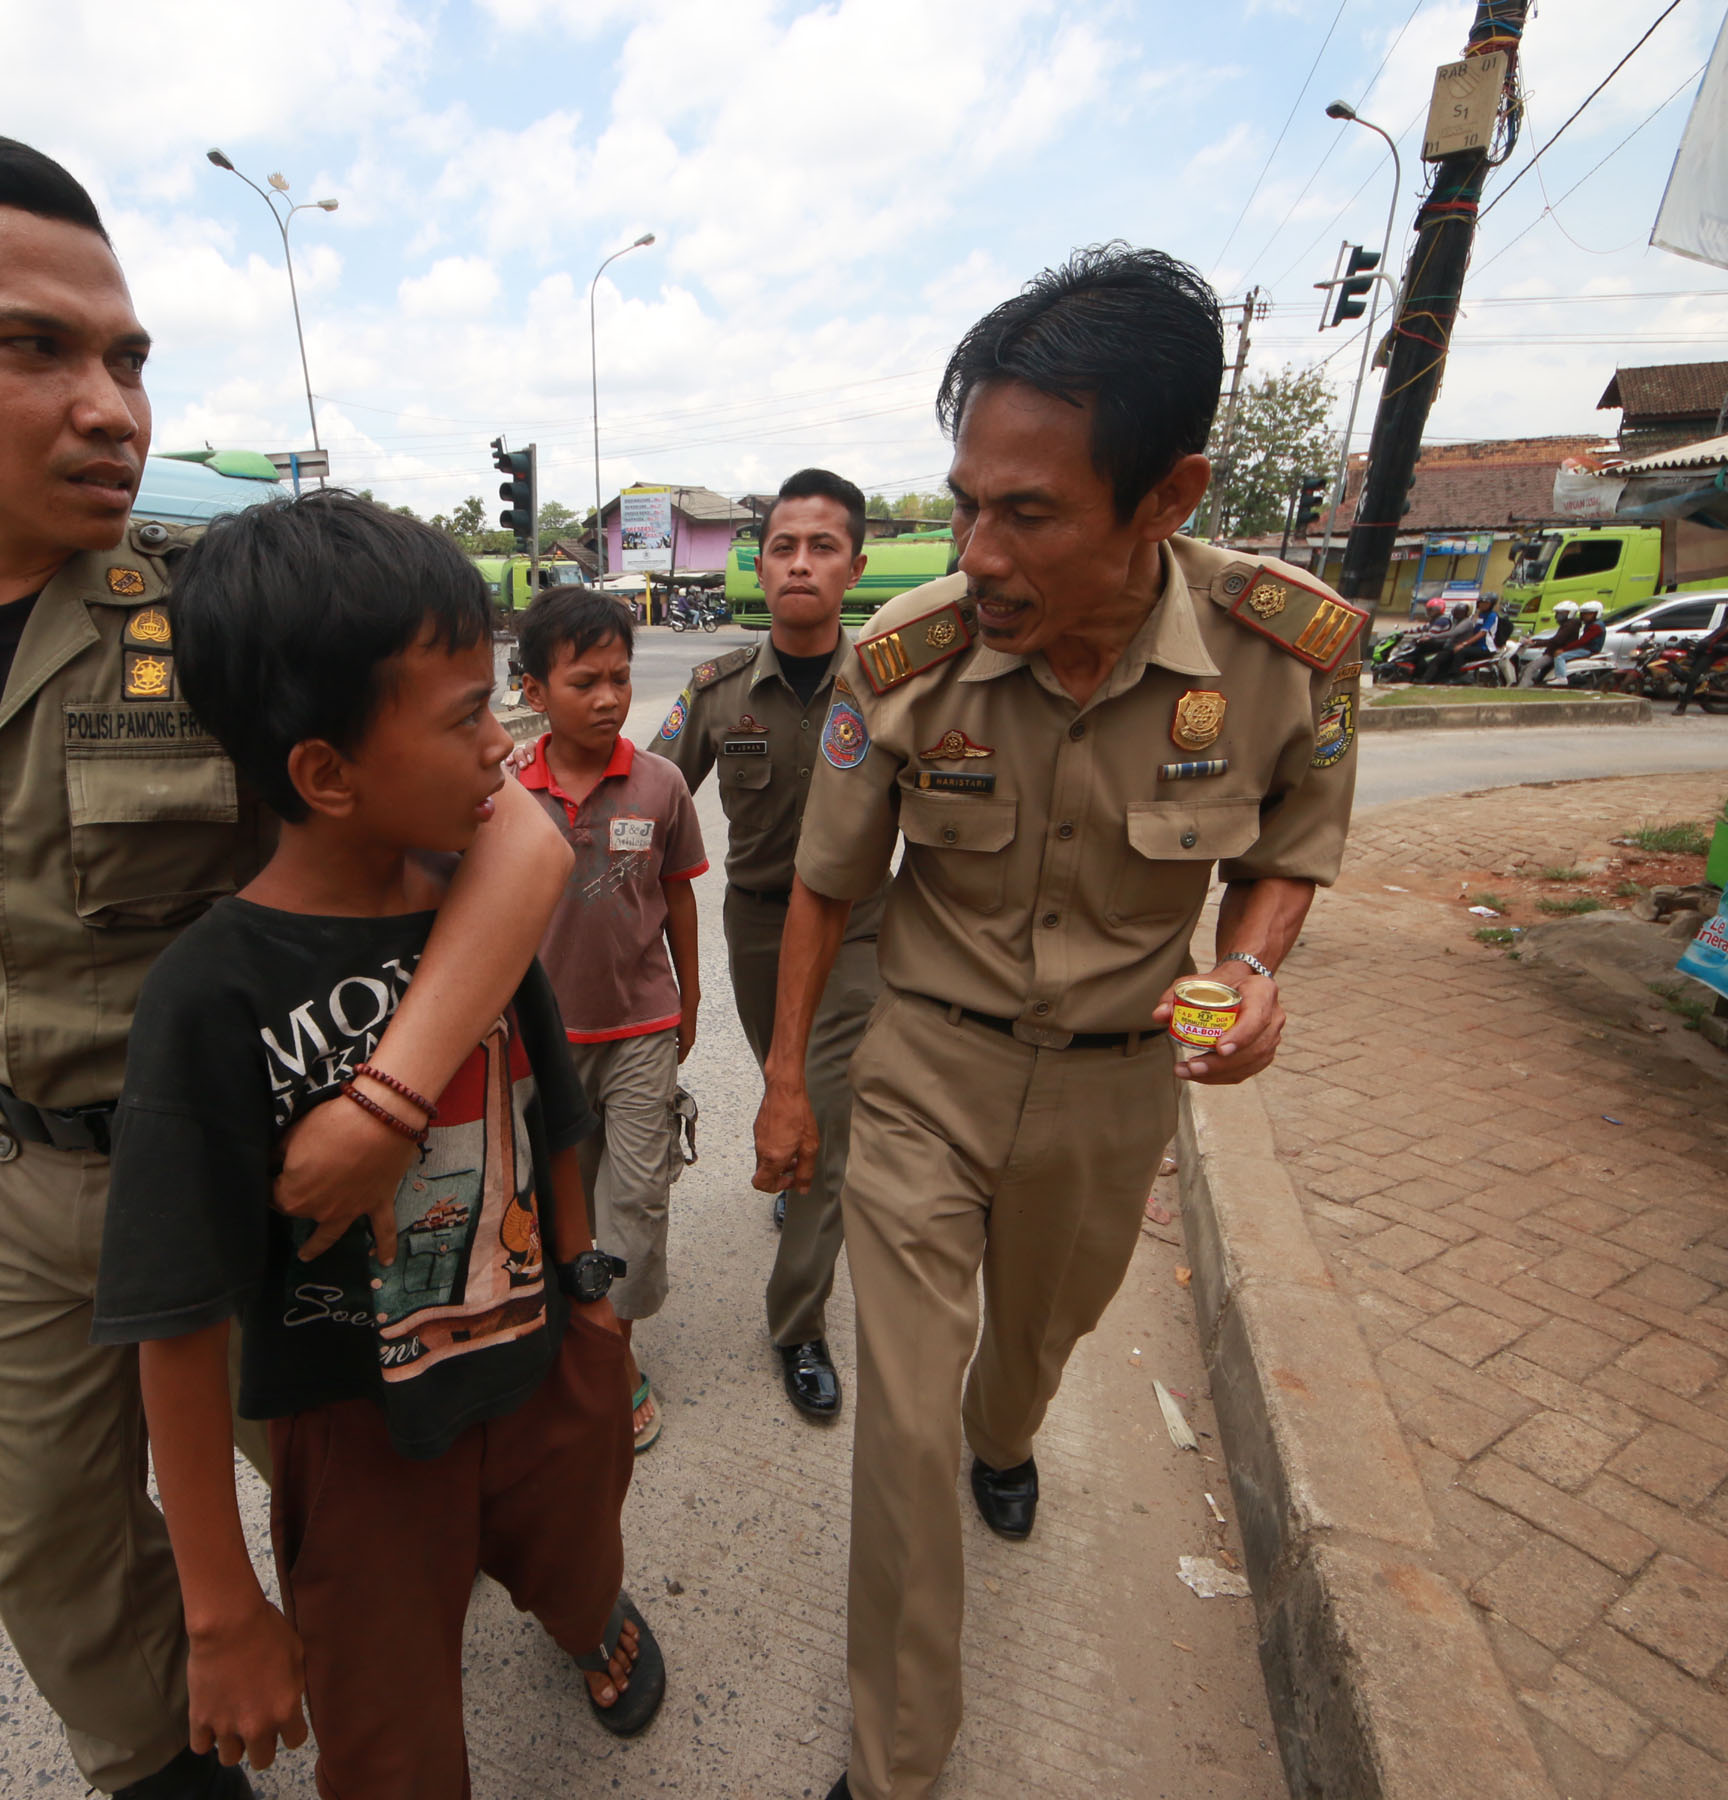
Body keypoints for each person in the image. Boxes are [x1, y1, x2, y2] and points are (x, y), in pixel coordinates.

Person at [0, 128, 567, 1800]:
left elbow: (517, 836)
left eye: (125, 355)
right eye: (31, 346)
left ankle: (556, 1598)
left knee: (380, 1495)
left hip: (274, 1175)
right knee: (55, 1549)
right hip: (32, 1177)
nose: (110, 404)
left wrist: (390, 1090)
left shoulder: (219, 608)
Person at [751, 246, 1358, 1800]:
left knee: (1031, 1348)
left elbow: (1290, 838)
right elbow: (826, 883)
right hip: (927, 1073)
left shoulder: (1282, 653)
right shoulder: (911, 660)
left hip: (1113, 1092)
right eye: (965, 503)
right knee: (901, 1427)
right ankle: (897, 1763)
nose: (980, 551)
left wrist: (1262, 969)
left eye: (1028, 513)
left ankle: (1009, 1435)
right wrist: (785, 1086)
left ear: (1165, 499)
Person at [98, 492, 663, 1795]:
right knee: (392, 1740)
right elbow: (174, 1318)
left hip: (540, 1370)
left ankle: (584, 1620)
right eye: (468, 716)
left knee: (579, 1553)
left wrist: (590, 1306)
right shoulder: (209, 994)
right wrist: (223, 1604)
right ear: (325, 774)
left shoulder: (480, 911)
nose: (502, 748)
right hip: (356, 1439)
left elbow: (555, 1114)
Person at [649, 466, 884, 1423]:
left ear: (854, 566)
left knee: (816, 1103)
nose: (800, 564)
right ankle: (800, 1172)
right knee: (778, 1072)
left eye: (822, 546)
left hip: (861, 927)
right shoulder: (716, 690)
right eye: (783, 545)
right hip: (754, 924)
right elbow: (650, 796)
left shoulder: (890, 685)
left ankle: (798, 1326)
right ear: (759, 562)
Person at [515, 586, 707, 1452]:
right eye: (585, 681)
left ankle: (614, 1360)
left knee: (634, 1201)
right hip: (538, 1047)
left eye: (621, 679)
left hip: (638, 1035)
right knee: (561, 1210)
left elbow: (678, 899)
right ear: (532, 693)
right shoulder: (506, 793)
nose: (608, 698)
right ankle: (558, 1345)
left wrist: (691, 1001)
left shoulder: (661, 785)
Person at [1671, 597, 1728, 715]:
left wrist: (1716, 646)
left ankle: (1682, 706)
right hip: (1706, 650)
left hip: (1714, 653)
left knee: (1692, 677)